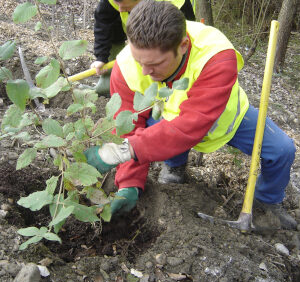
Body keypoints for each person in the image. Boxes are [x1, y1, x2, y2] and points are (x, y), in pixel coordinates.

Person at [85, 0, 297, 229]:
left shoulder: (216, 54)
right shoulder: (125, 67)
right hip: (168, 119)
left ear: (183, 45)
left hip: (226, 119)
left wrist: (121, 152)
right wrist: (129, 184)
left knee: (282, 150)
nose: (145, 71)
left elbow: (189, 125)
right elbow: (129, 126)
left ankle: (267, 203)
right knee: (157, 127)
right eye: (140, 62)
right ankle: (175, 166)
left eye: (155, 64)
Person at [91, 0, 195, 95]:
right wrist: (101, 56)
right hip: (132, 34)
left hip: (165, 43)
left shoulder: (175, 3)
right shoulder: (114, 2)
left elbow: (188, 33)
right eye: (117, 3)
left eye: (123, 5)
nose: (120, 9)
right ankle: (108, 87)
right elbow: (103, 22)